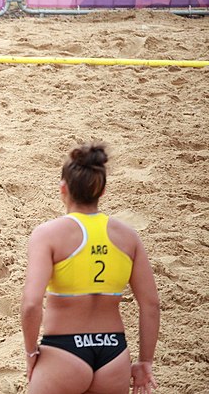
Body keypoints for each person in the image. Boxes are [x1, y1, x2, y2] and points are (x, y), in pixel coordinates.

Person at [20, 142, 160, 394]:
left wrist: (31, 352)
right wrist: (145, 362)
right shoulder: (128, 237)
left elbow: (31, 304)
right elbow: (150, 304)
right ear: (102, 190)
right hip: (113, 353)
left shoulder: (48, 234)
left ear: (63, 188)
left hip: (64, 350)